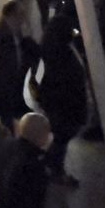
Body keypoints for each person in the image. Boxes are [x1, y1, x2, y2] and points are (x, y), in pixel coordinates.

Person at [30, 13, 87, 187]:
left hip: (57, 109)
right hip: (65, 110)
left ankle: (49, 168)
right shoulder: (63, 59)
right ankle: (53, 170)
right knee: (59, 143)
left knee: (56, 141)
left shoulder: (48, 53)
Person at [0, 0, 40, 122]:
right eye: (21, 14)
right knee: (4, 113)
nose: (24, 17)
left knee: (4, 112)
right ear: (12, 14)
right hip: (2, 82)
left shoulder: (14, 29)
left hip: (10, 80)